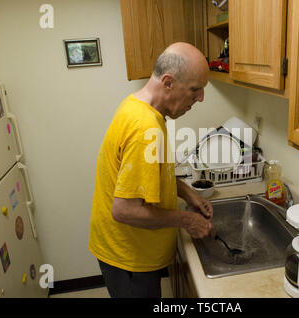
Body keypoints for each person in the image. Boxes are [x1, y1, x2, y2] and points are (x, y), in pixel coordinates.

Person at [89, 42, 214, 298]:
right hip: (128, 259)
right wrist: (187, 219)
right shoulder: (145, 127)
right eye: (195, 89)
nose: (201, 98)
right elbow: (125, 210)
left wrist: (189, 194)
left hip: (128, 251)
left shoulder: (139, 106)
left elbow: (157, 173)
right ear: (168, 82)